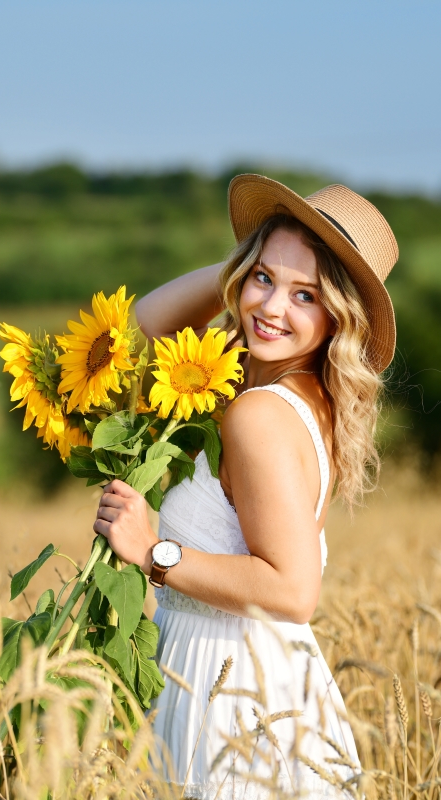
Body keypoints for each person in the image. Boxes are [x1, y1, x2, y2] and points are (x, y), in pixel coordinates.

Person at [93, 174, 399, 798]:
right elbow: (137, 331)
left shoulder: (258, 414)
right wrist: (244, 265)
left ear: (339, 315)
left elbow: (291, 590)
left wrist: (154, 553)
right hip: (253, 681)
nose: (271, 308)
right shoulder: (305, 398)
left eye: (306, 295)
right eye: (264, 278)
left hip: (230, 698)